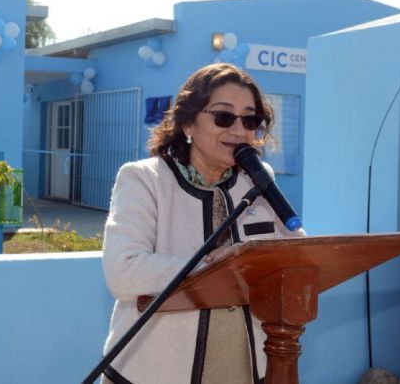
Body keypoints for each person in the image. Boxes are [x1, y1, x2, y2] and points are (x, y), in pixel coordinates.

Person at [101, 63, 304, 384]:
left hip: (245, 369)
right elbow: (123, 272)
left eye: (249, 120)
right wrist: (218, 268)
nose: (238, 130)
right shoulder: (144, 179)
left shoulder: (258, 179)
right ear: (188, 123)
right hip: (154, 372)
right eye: (223, 117)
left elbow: (294, 255)